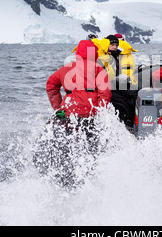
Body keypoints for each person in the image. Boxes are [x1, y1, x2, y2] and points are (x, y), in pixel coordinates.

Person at [40, 40, 112, 188]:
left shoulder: (66, 68)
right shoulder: (98, 69)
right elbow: (106, 94)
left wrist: (58, 107)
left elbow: (51, 85)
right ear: (95, 53)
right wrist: (99, 111)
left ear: (78, 53)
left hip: (68, 114)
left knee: (66, 145)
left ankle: (64, 179)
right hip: (89, 115)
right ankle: (88, 179)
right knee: (91, 148)